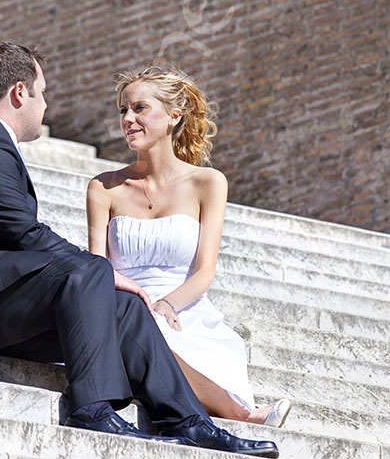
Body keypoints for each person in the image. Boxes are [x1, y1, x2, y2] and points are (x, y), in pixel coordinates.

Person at [0, 42, 279, 457]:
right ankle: (90, 407)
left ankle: (187, 421)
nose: (45, 103)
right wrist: (103, 271)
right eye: (43, 92)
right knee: (91, 271)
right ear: (20, 93)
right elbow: (23, 233)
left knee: (123, 307)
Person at [87, 65, 292, 428]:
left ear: (173, 116)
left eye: (139, 108)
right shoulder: (103, 188)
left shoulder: (208, 183)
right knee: (140, 328)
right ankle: (241, 414)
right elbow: (96, 267)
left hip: (184, 308)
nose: (128, 119)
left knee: (168, 336)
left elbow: (204, 271)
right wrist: (138, 305)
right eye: (123, 110)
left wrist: (167, 305)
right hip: (124, 305)